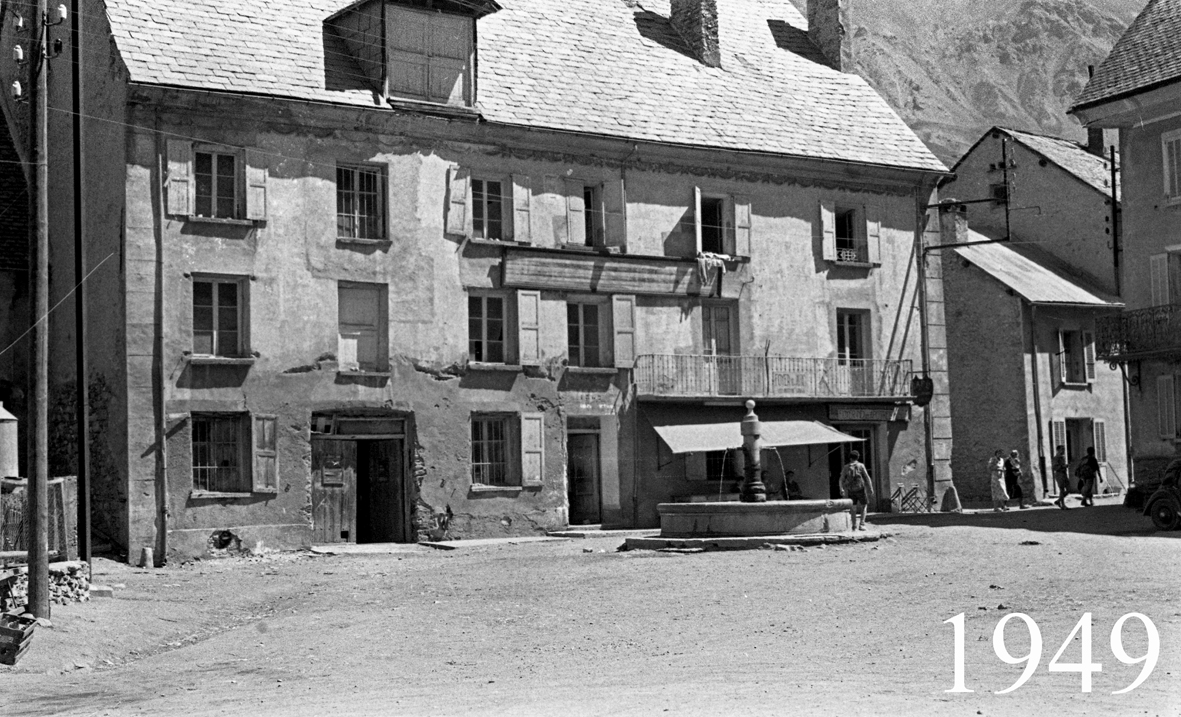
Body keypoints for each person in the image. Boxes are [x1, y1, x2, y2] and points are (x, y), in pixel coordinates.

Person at [839, 450, 874, 531]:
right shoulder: (861, 466)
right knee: (864, 505)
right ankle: (862, 524)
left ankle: (854, 525)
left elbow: (841, 479)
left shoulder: (846, 467)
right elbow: (867, 477)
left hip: (851, 490)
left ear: (850, 458)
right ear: (858, 457)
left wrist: (841, 489)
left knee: (853, 507)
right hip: (861, 489)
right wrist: (870, 488)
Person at [1052, 445, 1070, 510]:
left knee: (1068, 489)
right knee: (1062, 490)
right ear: (1058, 450)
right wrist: (1063, 466)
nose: (1063, 451)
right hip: (1059, 474)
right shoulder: (1056, 458)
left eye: (1064, 449)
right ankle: (1063, 505)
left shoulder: (1062, 457)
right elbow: (1054, 467)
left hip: (1064, 474)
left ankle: (1058, 501)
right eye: (1062, 449)